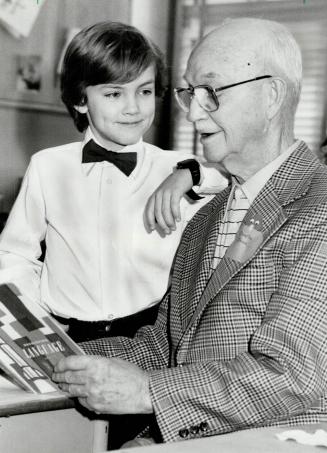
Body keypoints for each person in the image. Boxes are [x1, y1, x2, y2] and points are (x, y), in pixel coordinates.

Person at [53, 17, 327, 446]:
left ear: (271, 95)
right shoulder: (205, 217)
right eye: (189, 92)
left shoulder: (320, 209)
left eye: (211, 93)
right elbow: (164, 348)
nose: (194, 111)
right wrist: (57, 357)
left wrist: (147, 393)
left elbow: (291, 375)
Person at [0, 21, 225, 344]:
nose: (133, 108)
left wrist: (189, 175)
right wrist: (35, 318)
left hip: (149, 338)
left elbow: (233, 180)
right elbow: (15, 254)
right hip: (70, 336)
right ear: (81, 100)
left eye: (144, 91)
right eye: (114, 94)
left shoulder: (174, 167)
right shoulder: (47, 167)